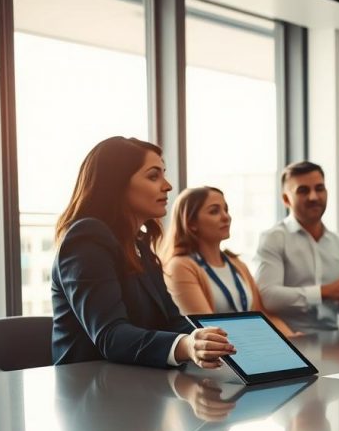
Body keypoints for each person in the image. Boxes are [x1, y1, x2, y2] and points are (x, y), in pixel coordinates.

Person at [52, 136, 233, 369]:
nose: (167, 186)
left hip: (136, 383)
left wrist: (220, 342)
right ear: (116, 183)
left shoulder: (138, 244)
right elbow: (111, 336)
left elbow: (171, 321)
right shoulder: (86, 238)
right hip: (89, 389)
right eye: (153, 176)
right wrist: (187, 346)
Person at [161, 186, 297, 336]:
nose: (226, 217)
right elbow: (207, 327)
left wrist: (294, 339)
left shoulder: (237, 264)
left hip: (249, 345)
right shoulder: (180, 266)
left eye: (226, 210)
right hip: (222, 352)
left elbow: (262, 315)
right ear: (191, 223)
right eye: (214, 211)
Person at [254, 161, 339, 331]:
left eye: (319, 188)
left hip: (333, 342)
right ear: (285, 199)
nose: (314, 197)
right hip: (288, 340)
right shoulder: (273, 239)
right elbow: (268, 296)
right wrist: (323, 292)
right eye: (303, 190)